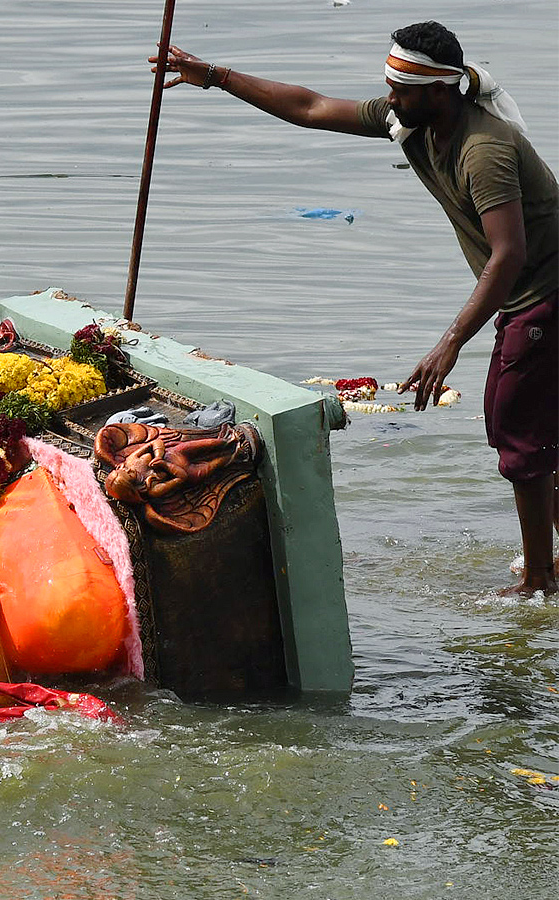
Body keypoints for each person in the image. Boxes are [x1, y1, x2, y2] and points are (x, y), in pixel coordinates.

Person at [152, 21, 558, 595]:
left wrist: (447, 345)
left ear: (440, 91)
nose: (390, 98)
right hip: (526, 297)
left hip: (542, 296)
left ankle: (540, 579)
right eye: (389, 85)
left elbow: (509, 254)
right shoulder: (412, 121)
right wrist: (215, 77)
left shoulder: (483, 149)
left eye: (402, 88)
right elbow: (311, 107)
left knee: (520, 433)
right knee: (525, 429)